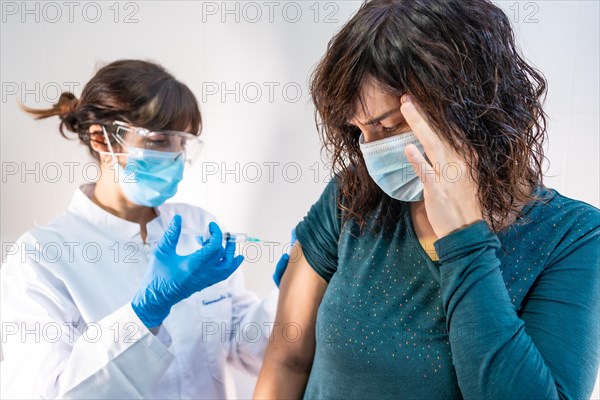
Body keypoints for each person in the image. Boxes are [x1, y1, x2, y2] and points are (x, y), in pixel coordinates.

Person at [254, 0, 600, 399]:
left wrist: (465, 240)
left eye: (388, 125)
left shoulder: (574, 238)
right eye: (360, 130)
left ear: (468, 105)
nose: (370, 148)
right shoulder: (352, 195)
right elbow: (286, 361)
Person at [1, 59, 289, 399]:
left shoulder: (198, 226)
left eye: (183, 143)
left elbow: (246, 351)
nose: (175, 157)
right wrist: (143, 315)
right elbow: (48, 394)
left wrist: (287, 297)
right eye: (159, 141)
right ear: (101, 140)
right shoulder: (40, 257)